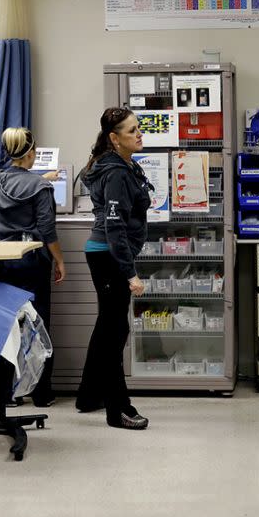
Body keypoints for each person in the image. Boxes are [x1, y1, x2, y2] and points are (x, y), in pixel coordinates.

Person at [75, 107, 153, 430]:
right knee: (115, 332)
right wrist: (130, 273)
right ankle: (118, 409)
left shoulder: (121, 164)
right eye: (131, 130)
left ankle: (88, 395)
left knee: (107, 327)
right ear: (113, 138)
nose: (139, 134)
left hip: (105, 254)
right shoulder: (117, 173)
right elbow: (115, 227)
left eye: (138, 128)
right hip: (109, 256)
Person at [0, 127, 66, 407]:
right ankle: (41, 393)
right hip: (32, 261)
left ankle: (9, 393)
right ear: (31, 153)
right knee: (38, 322)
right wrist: (59, 259)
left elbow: (15, 190)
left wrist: (40, 179)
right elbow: (47, 229)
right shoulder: (41, 188)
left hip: (3, 261)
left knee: (9, 325)